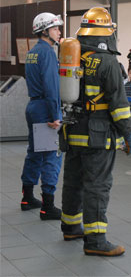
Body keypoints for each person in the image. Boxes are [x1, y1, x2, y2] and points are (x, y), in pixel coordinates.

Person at [60, 7, 131, 256]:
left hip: (72, 131)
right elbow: (119, 106)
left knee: (73, 181)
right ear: (106, 32)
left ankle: (71, 227)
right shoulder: (108, 62)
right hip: (98, 136)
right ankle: (95, 241)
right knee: (97, 185)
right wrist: (129, 134)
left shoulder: (72, 56)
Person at [20, 12, 64, 220]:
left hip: (33, 106)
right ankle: (48, 206)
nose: (59, 31)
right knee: (51, 156)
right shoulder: (47, 53)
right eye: (55, 28)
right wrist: (56, 114)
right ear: (45, 31)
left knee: (35, 153)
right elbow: (52, 86)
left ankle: (27, 197)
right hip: (46, 109)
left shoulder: (33, 52)